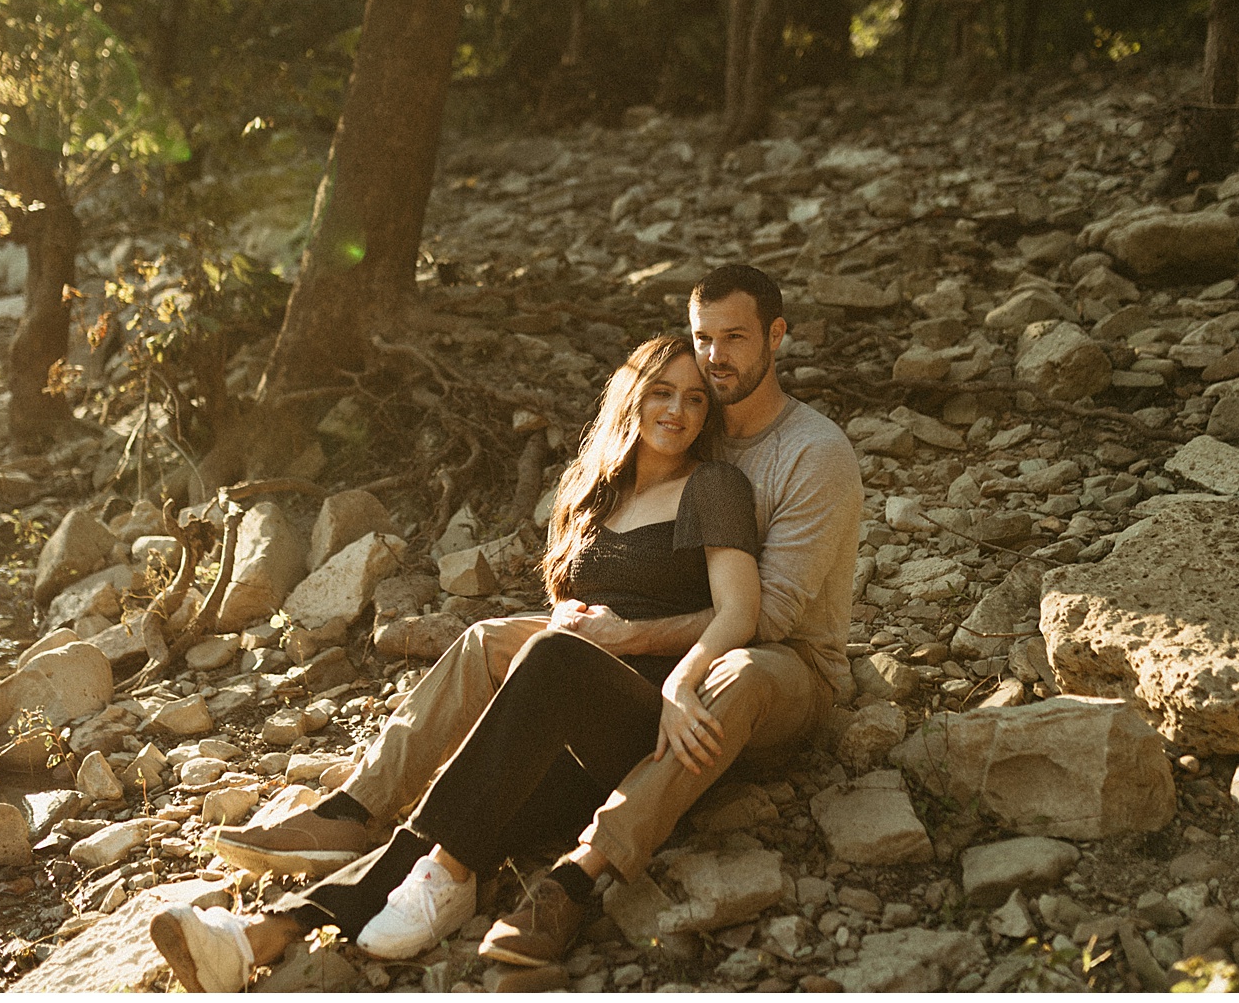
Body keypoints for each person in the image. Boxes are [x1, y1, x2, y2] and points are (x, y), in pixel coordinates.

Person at [150, 265, 862, 989]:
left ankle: (579, 875)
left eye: (735, 338)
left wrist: (649, 655)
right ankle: (279, 915)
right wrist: (580, 621)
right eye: (702, 339)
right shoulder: (691, 445)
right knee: (488, 757)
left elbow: (762, 616)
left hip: (778, 664)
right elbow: (618, 577)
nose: (713, 360)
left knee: (724, 673)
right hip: (633, 683)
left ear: (777, 335)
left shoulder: (806, 453)